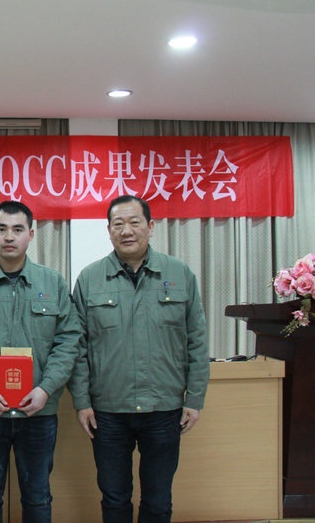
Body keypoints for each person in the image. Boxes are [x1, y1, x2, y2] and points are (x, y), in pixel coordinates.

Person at [68, 195, 209, 523]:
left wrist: (195, 398)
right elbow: (77, 346)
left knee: (158, 500)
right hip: (108, 411)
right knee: (114, 499)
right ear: (109, 230)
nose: (126, 230)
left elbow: (197, 340)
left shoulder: (179, 273)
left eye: (134, 222)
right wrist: (82, 401)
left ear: (151, 226)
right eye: (118, 224)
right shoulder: (90, 279)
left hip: (164, 408)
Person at [0, 200, 81, 523]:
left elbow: (68, 341)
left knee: (37, 495)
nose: (9, 237)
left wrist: (46, 389)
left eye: (18, 229)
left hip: (38, 409)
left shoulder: (53, 284)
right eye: (2, 229)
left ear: (31, 235)